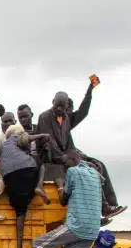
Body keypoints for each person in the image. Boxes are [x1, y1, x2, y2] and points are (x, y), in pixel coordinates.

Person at [37, 78, 125, 218]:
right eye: (57, 106)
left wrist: (89, 91)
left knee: (97, 166)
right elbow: (50, 142)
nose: (59, 109)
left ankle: (107, 206)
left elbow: (83, 112)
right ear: (53, 103)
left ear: (66, 106)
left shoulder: (66, 118)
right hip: (53, 159)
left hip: (68, 156)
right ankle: (99, 210)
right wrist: (64, 158)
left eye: (62, 107)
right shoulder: (44, 117)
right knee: (86, 171)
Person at [32, 150, 102, 248]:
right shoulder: (95, 174)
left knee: (38, 246)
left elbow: (63, 200)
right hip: (92, 230)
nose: (64, 168)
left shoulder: (73, 171)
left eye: (65, 164)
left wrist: (60, 185)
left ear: (73, 161)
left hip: (76, 226)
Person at [0, 123, 53, 248]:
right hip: (25, 170)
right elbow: (26, 138)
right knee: (40, 163)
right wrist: (43, 135)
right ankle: (39, 186)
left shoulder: (5, 147)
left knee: (21, 212)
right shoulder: (16, 134)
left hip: (8, 178)